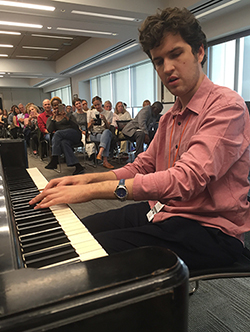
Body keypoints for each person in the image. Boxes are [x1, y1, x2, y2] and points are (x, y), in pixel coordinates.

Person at [30, 7, 250, 270]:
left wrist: (90, 192)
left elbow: (184, 180)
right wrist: (85, 178)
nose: (167, 68)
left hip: (210, 231)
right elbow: (142, 166)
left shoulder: (227, 106)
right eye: (158, 61)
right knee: (73, 236)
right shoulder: (171, 116)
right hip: (165, 210)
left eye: (176, 54)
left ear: (199, 51)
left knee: (86, 259)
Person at [45, 96, 85, 175]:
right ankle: (78, 166)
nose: (56, 107)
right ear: (52, 107)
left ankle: (55, 159)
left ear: (61, 105)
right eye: (54, 105)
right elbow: (49, 130)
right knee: (63, 143)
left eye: (58, 105)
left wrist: (66, 117)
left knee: (58, 133)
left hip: (74, 134)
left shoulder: (69, 114)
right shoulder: (51, 118)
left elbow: (76, 126)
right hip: (64, 137)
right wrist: (54, 117)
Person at [88, 96, 114, 169]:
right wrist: (91, 123)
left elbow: (108, 127)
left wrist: (105, 120)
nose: (97, 107)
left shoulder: (109, 113)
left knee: (106, 132)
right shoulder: (90, 112)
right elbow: (88, 128)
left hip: (103, 133)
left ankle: (100, 153)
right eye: (95, 105)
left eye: (98, 104)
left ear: (101, 103)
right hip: (94, 134)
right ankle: (105, 160)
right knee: (107, 137)